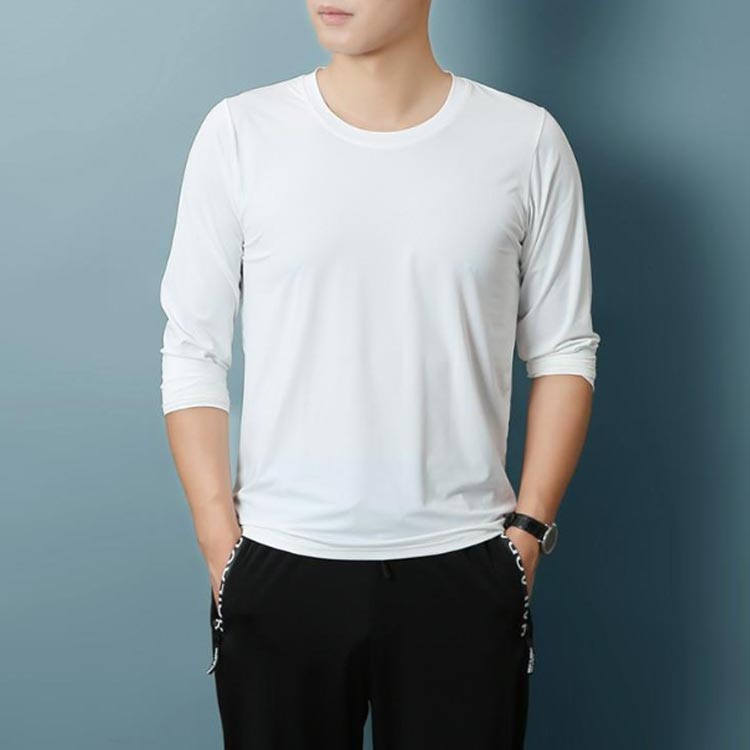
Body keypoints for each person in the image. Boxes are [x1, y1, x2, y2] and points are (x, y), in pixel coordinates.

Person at [159, 1, 600, 748]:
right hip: (280, 563)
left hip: (464, 565)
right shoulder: (241, 133)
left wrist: (527, 534)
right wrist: (219, 543)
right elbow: (192, 349)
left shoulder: (525, 141)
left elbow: (563, 349)